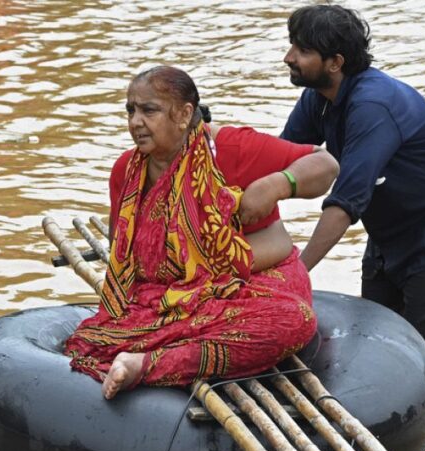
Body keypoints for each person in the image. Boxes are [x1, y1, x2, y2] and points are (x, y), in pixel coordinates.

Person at [65, 65, 339, 399]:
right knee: (114, 325)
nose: (135, 122)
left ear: (183, 115)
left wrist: (278, 184)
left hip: (253, 285)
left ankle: (147, 364)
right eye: (130, 110)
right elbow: (123, 259)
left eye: (148, 110)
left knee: (292, 321)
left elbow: (325, 164)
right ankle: (162, 348)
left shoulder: (231, 149)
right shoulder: (126, 171)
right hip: (171, 295)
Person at [281, 5, 425, 373]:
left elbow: (344, 204)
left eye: (302, 50)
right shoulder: (319, 98)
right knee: (375, 335)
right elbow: (281, 158)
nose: (289, 57)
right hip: (389, 229)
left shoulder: (372, 105)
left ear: (335, 62)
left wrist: (296, 272)